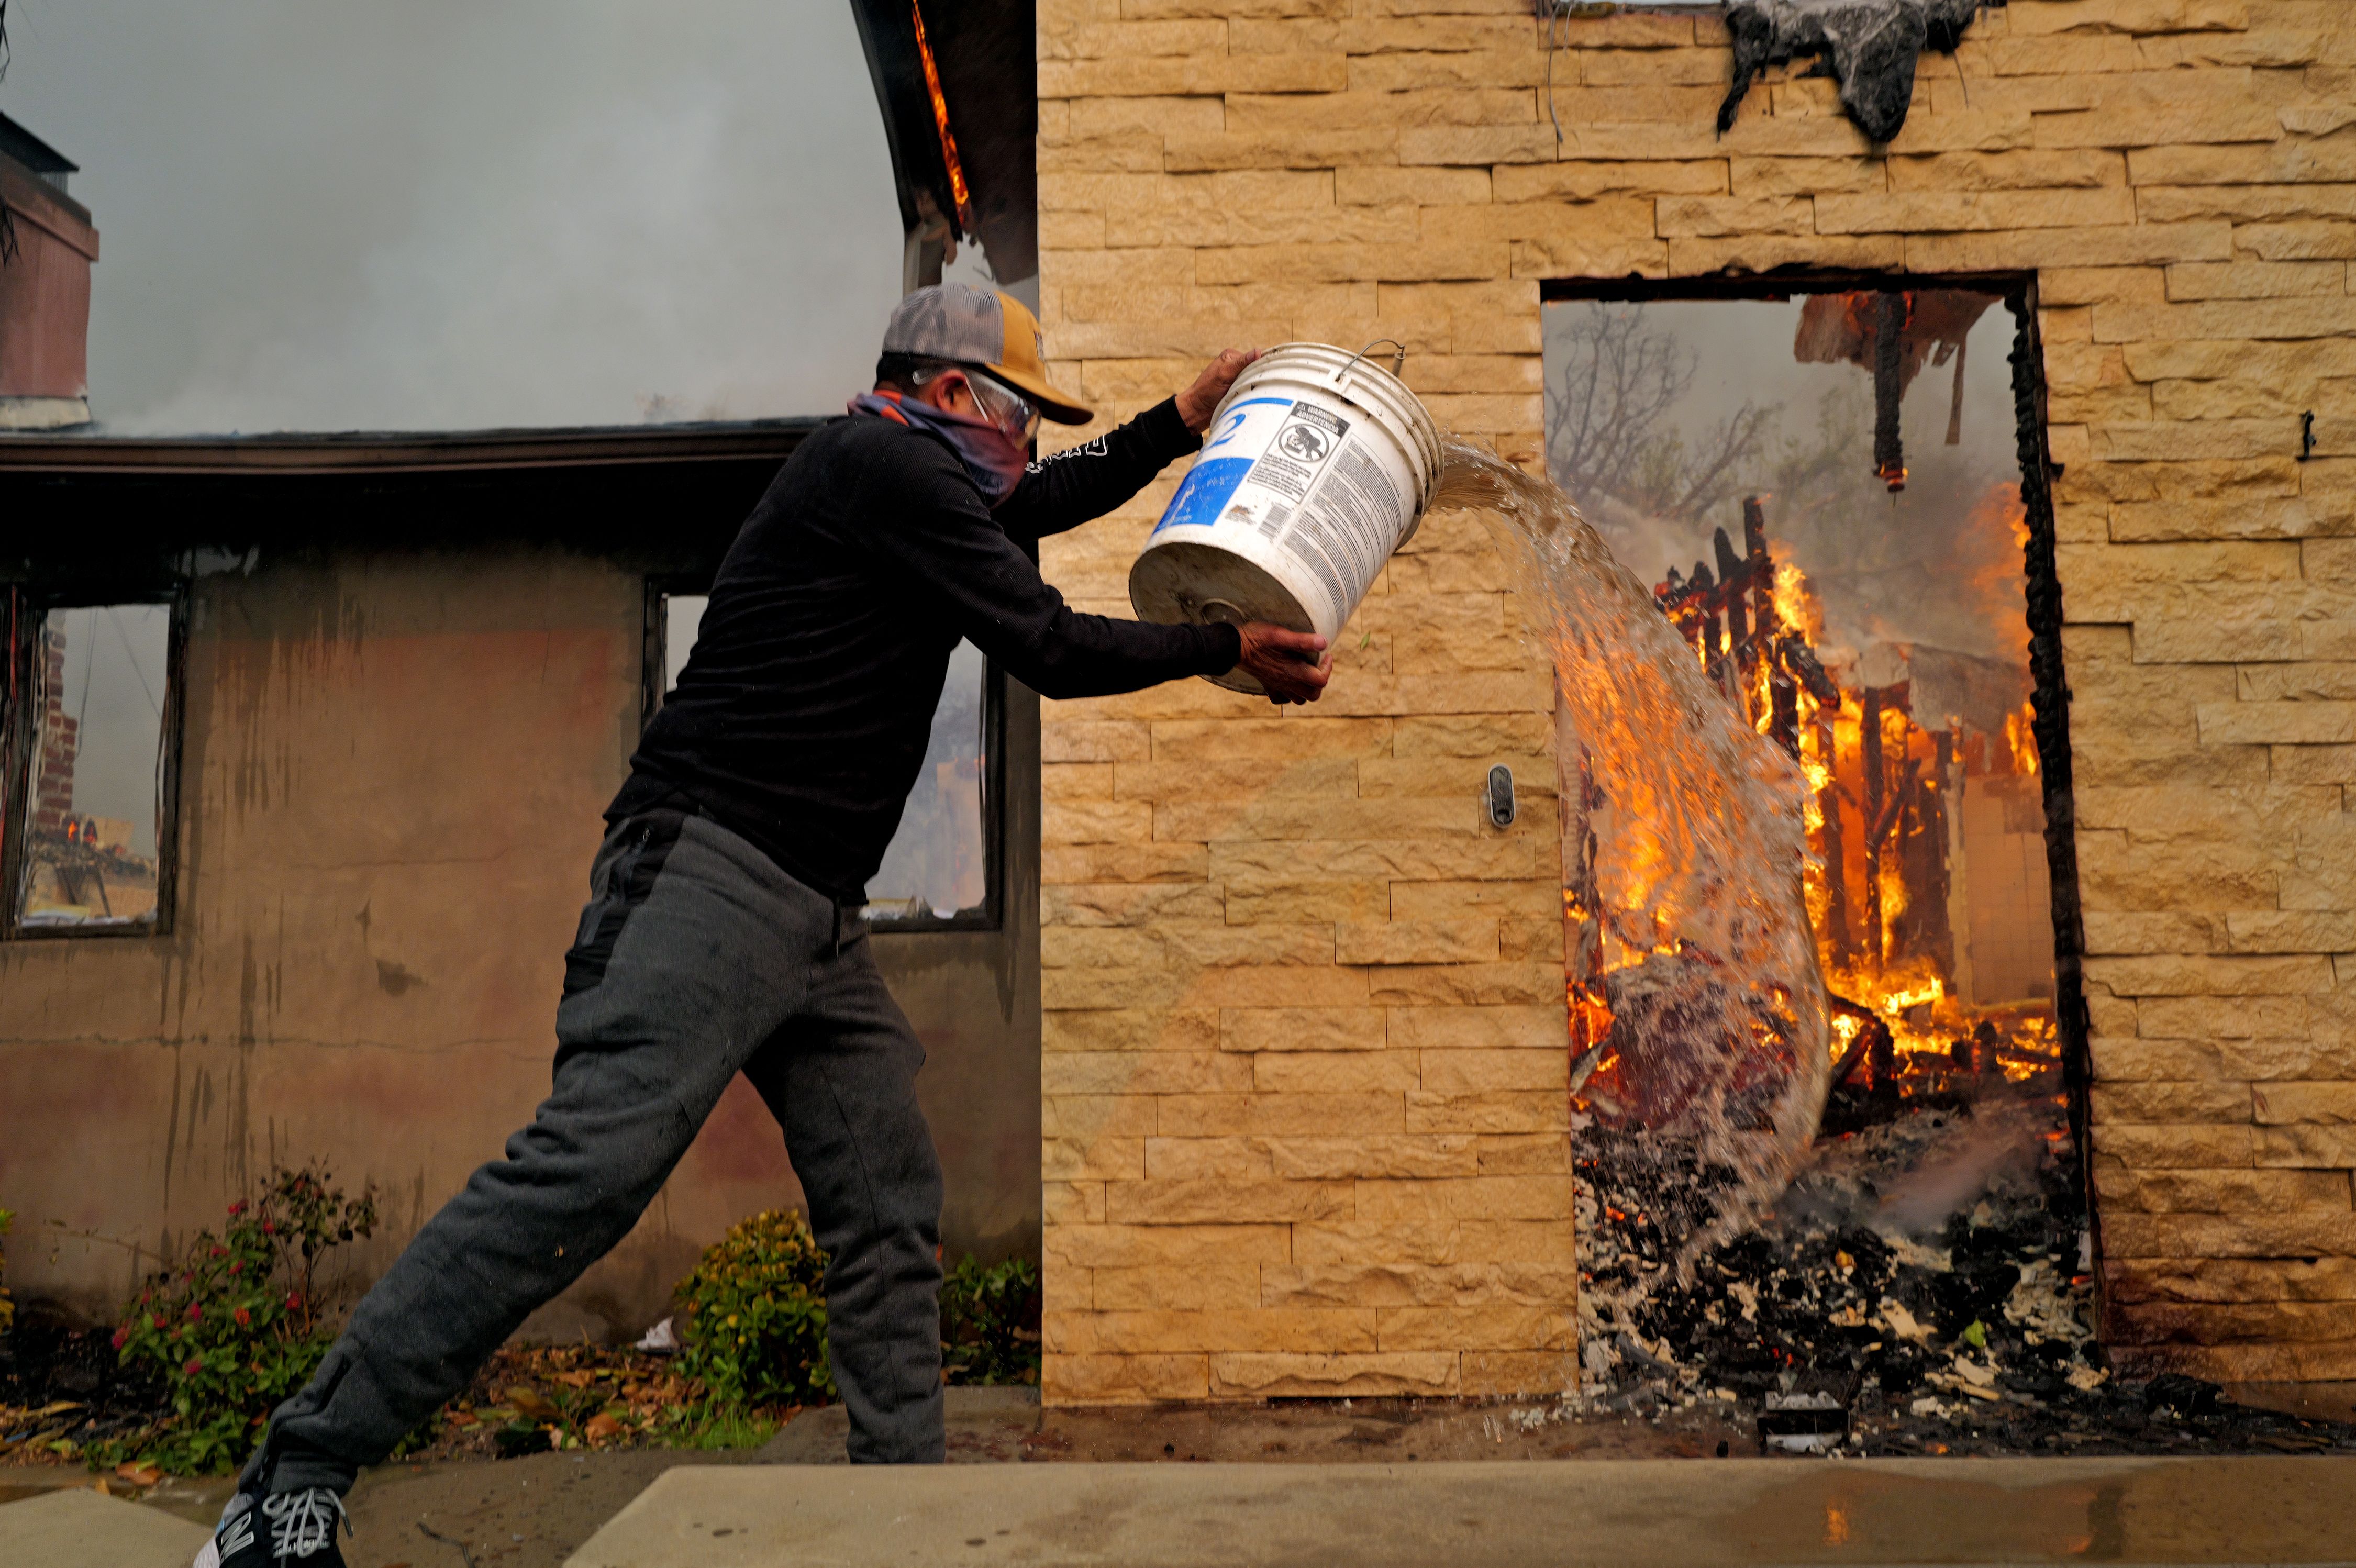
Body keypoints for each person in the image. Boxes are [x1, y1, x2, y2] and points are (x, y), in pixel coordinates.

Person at [195, 282, 1330, 1567]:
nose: (1026, 444)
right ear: (951, 394)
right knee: (582, 1176)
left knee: (886, 1192)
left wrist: (1174, 424)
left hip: (814, 922)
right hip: (709, 876)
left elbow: (1038, 503)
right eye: (1020, 416)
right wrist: (1218, 646)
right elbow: (1047, 642)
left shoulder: (925, 481)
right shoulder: (877, 459)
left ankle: (898, 1516)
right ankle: (291, 1476)